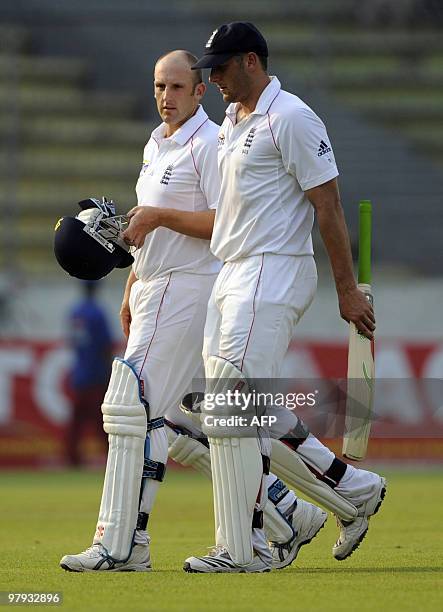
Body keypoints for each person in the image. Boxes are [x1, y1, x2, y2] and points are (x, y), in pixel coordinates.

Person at [59, 49, 325, 573]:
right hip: (158, 287)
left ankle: (121, 546)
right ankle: (289, 514)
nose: (166, 97)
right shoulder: (156, 144)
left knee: (131, 405)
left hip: (192, 288)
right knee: (196, 425)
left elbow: (221, 223)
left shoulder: (208, 143)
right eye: (159, 86)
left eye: (178, 87)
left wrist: (156, 217)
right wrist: (134, 280)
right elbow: (152, 235)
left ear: (200, 91)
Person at [183, 22, 386, 574]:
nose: (215, 79)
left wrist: (346, 288)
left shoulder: (291, 117)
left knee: (231, 409)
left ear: (252, 60)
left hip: (272, 272)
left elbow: (329, 205)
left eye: (222, 68)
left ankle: (242, 548)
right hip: (233, 274)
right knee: (229, 410)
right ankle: (352, 492)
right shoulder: (231, 121)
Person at [65, 280, 112, 467]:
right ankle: (112, 456)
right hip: (95, 374)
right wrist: (109, 371)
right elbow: (105, 345)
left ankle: (71, 459)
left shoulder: (75, 312)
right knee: (103, 421)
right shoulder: (97, 312)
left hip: (79, 374)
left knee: (76, 423)